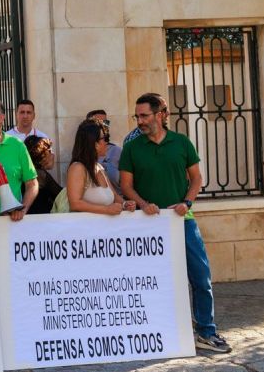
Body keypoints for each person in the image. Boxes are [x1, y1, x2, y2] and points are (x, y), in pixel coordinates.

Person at [119, 93, 231, 354]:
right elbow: (126, 185)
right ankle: (158, 332)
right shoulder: (132, 148)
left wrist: (187, 203)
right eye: (137, 116)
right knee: (151, 281)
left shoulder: (181, 143)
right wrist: (144, 204)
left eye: (145, 115)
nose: (140, 121)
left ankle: (206, 331)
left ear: (162, 115)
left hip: (183, 221)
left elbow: (196, 179)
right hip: (147, 225)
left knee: (201, 278)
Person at [65, 120, 129, 214]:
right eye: (105, 138)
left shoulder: (99, 167)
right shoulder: (77, 168)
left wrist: (125, 204)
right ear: (95, 144)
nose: (107, 142)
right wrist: (106, 210)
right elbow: (75, 204)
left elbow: (114, 196)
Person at [23, 136, 62, 215]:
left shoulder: (26, 172)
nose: (53, 155)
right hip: (40, 219)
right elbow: (61, 194)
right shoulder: (40, 175)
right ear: (42, 157)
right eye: (50, 151)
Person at [87, 111, 122, 189]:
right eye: (98, 122)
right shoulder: (81, 157)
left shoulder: (117, 151)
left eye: (106, 122)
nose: (103, 125)